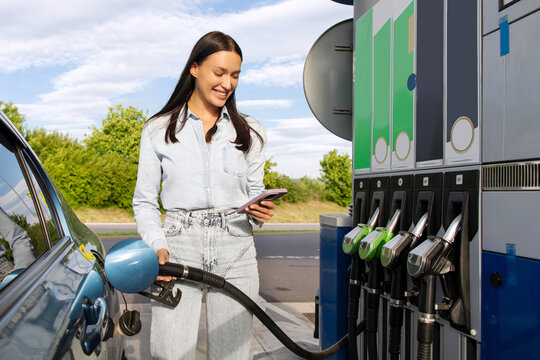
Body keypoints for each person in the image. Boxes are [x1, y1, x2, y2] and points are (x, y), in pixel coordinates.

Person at [133, 31, 276, 360]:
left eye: (235, 75)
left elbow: (255, 191)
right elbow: (144, 201)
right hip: (178, 246)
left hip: (236, 247)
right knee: (169, 353)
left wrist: (262, 210)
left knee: (232, 355)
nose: (228, 83)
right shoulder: (158, 129)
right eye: (220, 73)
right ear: (195, 69)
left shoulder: (251, 131)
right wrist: (158, 246)